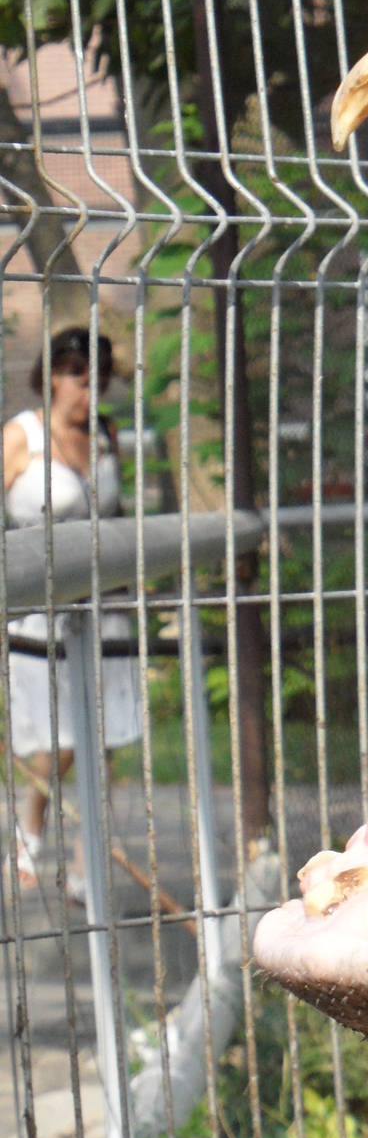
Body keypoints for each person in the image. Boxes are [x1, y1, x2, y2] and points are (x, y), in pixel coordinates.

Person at [3, 327, 140, 897]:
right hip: (40, 613)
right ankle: (28, 831)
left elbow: (118, 512)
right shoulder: (20, 435)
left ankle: (87, 865)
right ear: (53, 377)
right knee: (59, 739)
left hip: (103, 604)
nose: (91, 395)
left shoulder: (106, 434)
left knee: (102, 740)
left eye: (100, 385)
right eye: (81, 382)